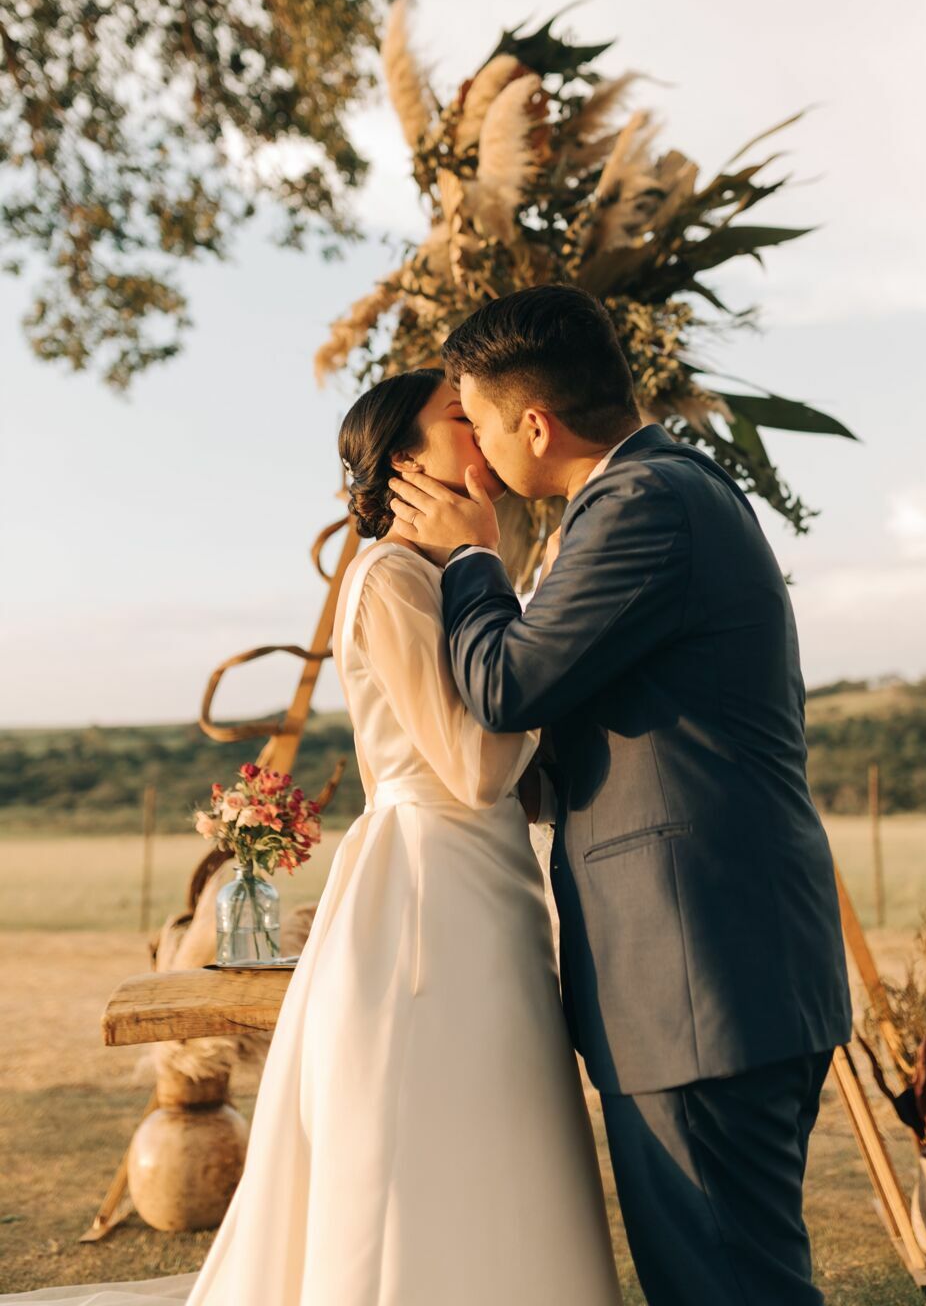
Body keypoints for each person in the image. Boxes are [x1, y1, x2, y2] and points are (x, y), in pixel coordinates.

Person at [5, 366, 621, 1306]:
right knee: (441, 1103)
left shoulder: (441, 574)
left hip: (487, 876)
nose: (480, 428)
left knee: (498, 1103)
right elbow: (474, 769)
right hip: (431, 885)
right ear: (403, 458)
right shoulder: (389, 578)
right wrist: (529, 652)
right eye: (457, 417)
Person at [387, 283, 855, 1306]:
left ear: (534, 425)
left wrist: (470, 557)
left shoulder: (640, 502)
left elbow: (507, 684)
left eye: (479, 424)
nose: (477, 457)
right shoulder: (669, 489)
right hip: (718, 972)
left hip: (695, 978)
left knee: (724, 1286)